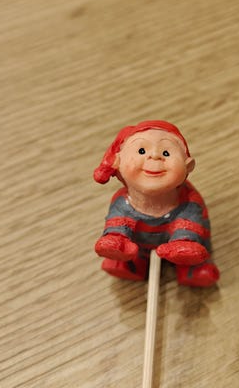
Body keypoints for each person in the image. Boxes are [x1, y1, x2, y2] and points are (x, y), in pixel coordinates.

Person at [93, 120, 220, 287]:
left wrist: (184, 243)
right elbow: (118, 224)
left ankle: (190, 269)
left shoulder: (188, 201)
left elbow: (190, 224)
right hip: (139, 247)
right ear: (118, 162)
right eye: (141, 151)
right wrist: (116, 240)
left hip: (180, 246)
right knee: (126, 250)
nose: (154, 156)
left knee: (191, 250)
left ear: (188, 166)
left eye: (166, 153)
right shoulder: (122, 203)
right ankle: (130, 264)